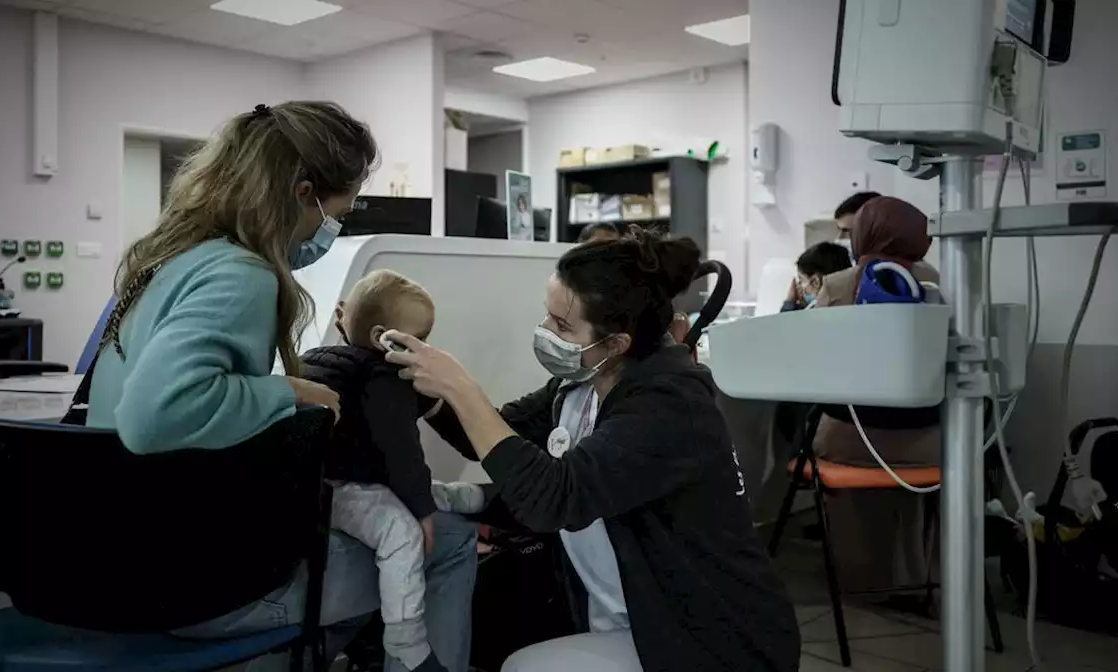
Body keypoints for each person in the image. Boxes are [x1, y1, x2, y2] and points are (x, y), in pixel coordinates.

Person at [85, 101, 477, 672]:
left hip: (120, 563)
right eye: (337, 211)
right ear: (301, 192)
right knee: (450, 543)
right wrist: (287, 393)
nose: (331, 229)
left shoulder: (174, 260)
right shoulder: (239, 273)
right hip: (194, 589)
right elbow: (156, 415)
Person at [384, 230, 801, 672]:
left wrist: (460, 386)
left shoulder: (670, 409)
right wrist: (425, 391)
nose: (547, 334)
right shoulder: (581, 384)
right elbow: (493, 435)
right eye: (548, 317)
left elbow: (554, 496)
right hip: (637, 620)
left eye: (563, 327)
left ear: (617, 343)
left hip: (715, 641)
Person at [299, 269, 486, 672]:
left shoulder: (313, 359)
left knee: (396, 493)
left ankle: (455, 494)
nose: (424, 349)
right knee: (402, 533)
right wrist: (421, 510)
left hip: (310, 487)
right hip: (342, 488)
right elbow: (400, 449)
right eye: (420, 338)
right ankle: (405, 638)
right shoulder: (383, 377)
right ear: (386, 338)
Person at [812, 196, 941, 594]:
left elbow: (810, 360)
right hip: (930, 446)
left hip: (851, 442)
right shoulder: (939, 281)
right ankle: (920, 575)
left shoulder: (837, 285)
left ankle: (864, 580)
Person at [782, 241, 853, 312]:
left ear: (815, 282)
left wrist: (789, 302)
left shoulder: (822, 313)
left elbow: (784, 322)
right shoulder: (849, 300)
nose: (798, 285)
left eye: (801, 280)